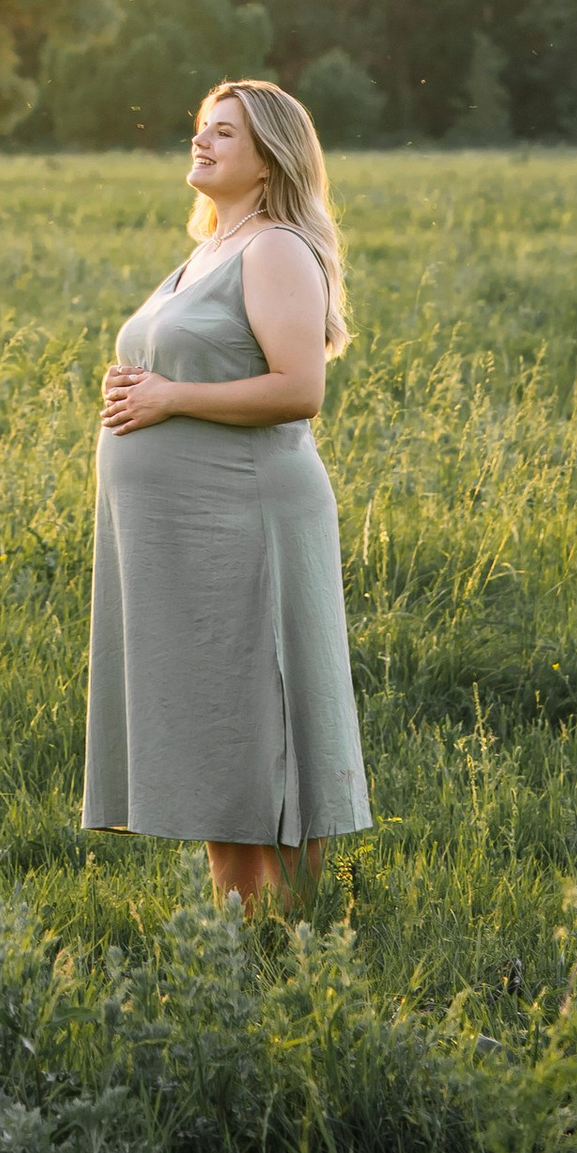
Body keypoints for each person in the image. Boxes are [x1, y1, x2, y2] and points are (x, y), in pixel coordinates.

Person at [83, 76, 371, 909]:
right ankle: (240, 934)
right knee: (219, 720)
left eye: (225, 134)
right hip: (188, 529)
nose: (202, 143)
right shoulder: (210, 247)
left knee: (258, 719)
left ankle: (289, 933)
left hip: (245, 519)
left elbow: (298, 389)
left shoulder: (275, 246)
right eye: (201, 129)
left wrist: (170, 398)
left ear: (270, 158)